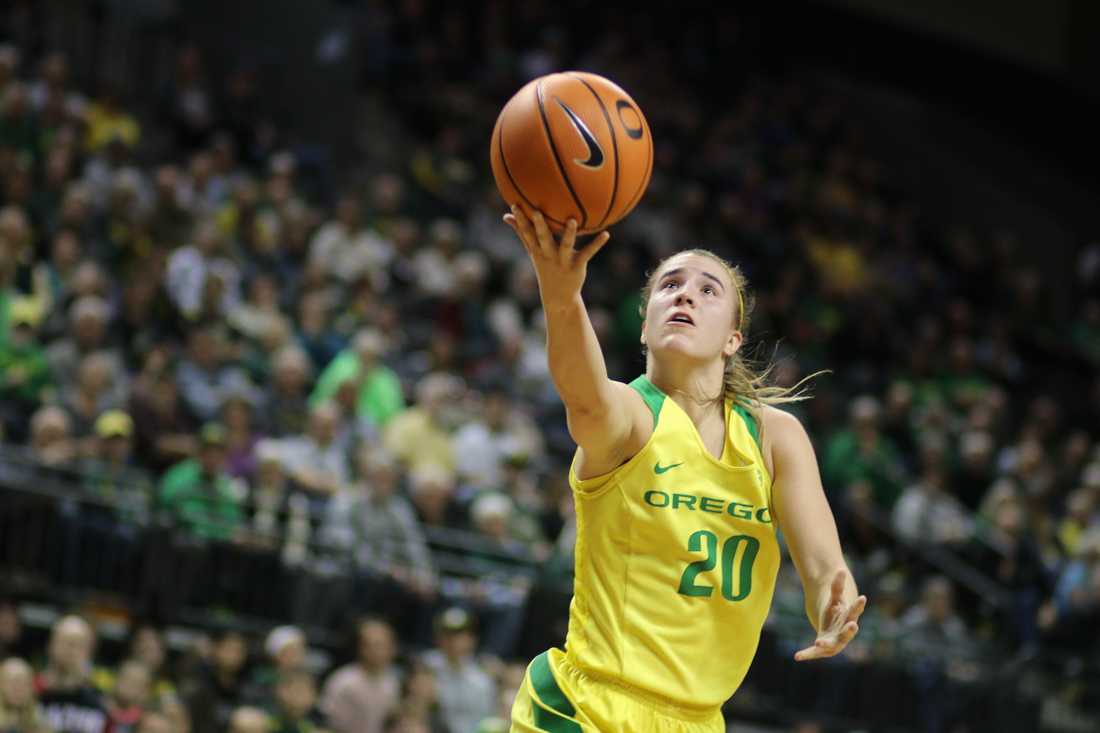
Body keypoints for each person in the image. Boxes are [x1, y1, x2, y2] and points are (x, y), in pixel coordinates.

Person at [502, 208, 866, 732]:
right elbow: (583, 397)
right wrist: (562, 295)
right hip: (590, 709)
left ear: (733, 339)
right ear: (645, 326)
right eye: (669, 285)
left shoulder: (774, 438)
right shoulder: (631, 415)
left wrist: (832, 606)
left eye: (708, 289)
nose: (685, 294)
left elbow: (824, 568)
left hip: (697, 720)